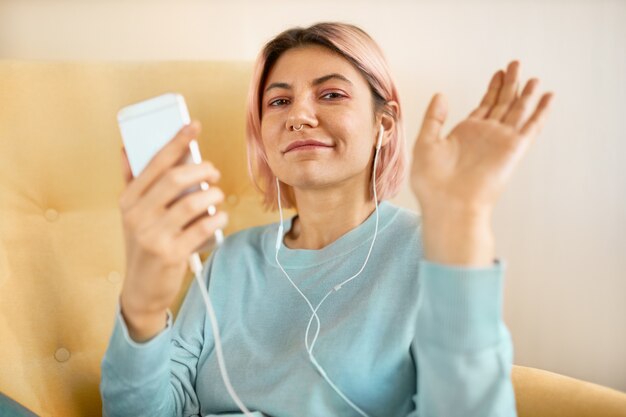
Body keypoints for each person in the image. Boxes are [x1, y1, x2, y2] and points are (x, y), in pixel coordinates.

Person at [100, 22, 554, 417]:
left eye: (331, 94)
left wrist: (461, 217)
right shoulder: (230, 258)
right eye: (278, 102)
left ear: (385, 125)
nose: (298, 115)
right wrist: (140, 307)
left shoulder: (436, 252)